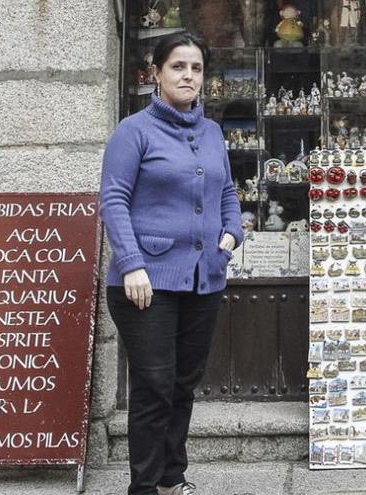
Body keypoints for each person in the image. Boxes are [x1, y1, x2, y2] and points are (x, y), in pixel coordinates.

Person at [100, 32, 243, 495]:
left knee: (183, 385)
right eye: (178, 66)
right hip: (145, 283)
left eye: (196, 68)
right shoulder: (133, 131)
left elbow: (227, 193)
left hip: (204, 279)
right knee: (154, 388)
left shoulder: (213, 132)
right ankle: (142, 487)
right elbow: (114, 200)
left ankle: (171, 479)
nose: (188, 75)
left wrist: (230, 235)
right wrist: (132, 264)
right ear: (156, 73)